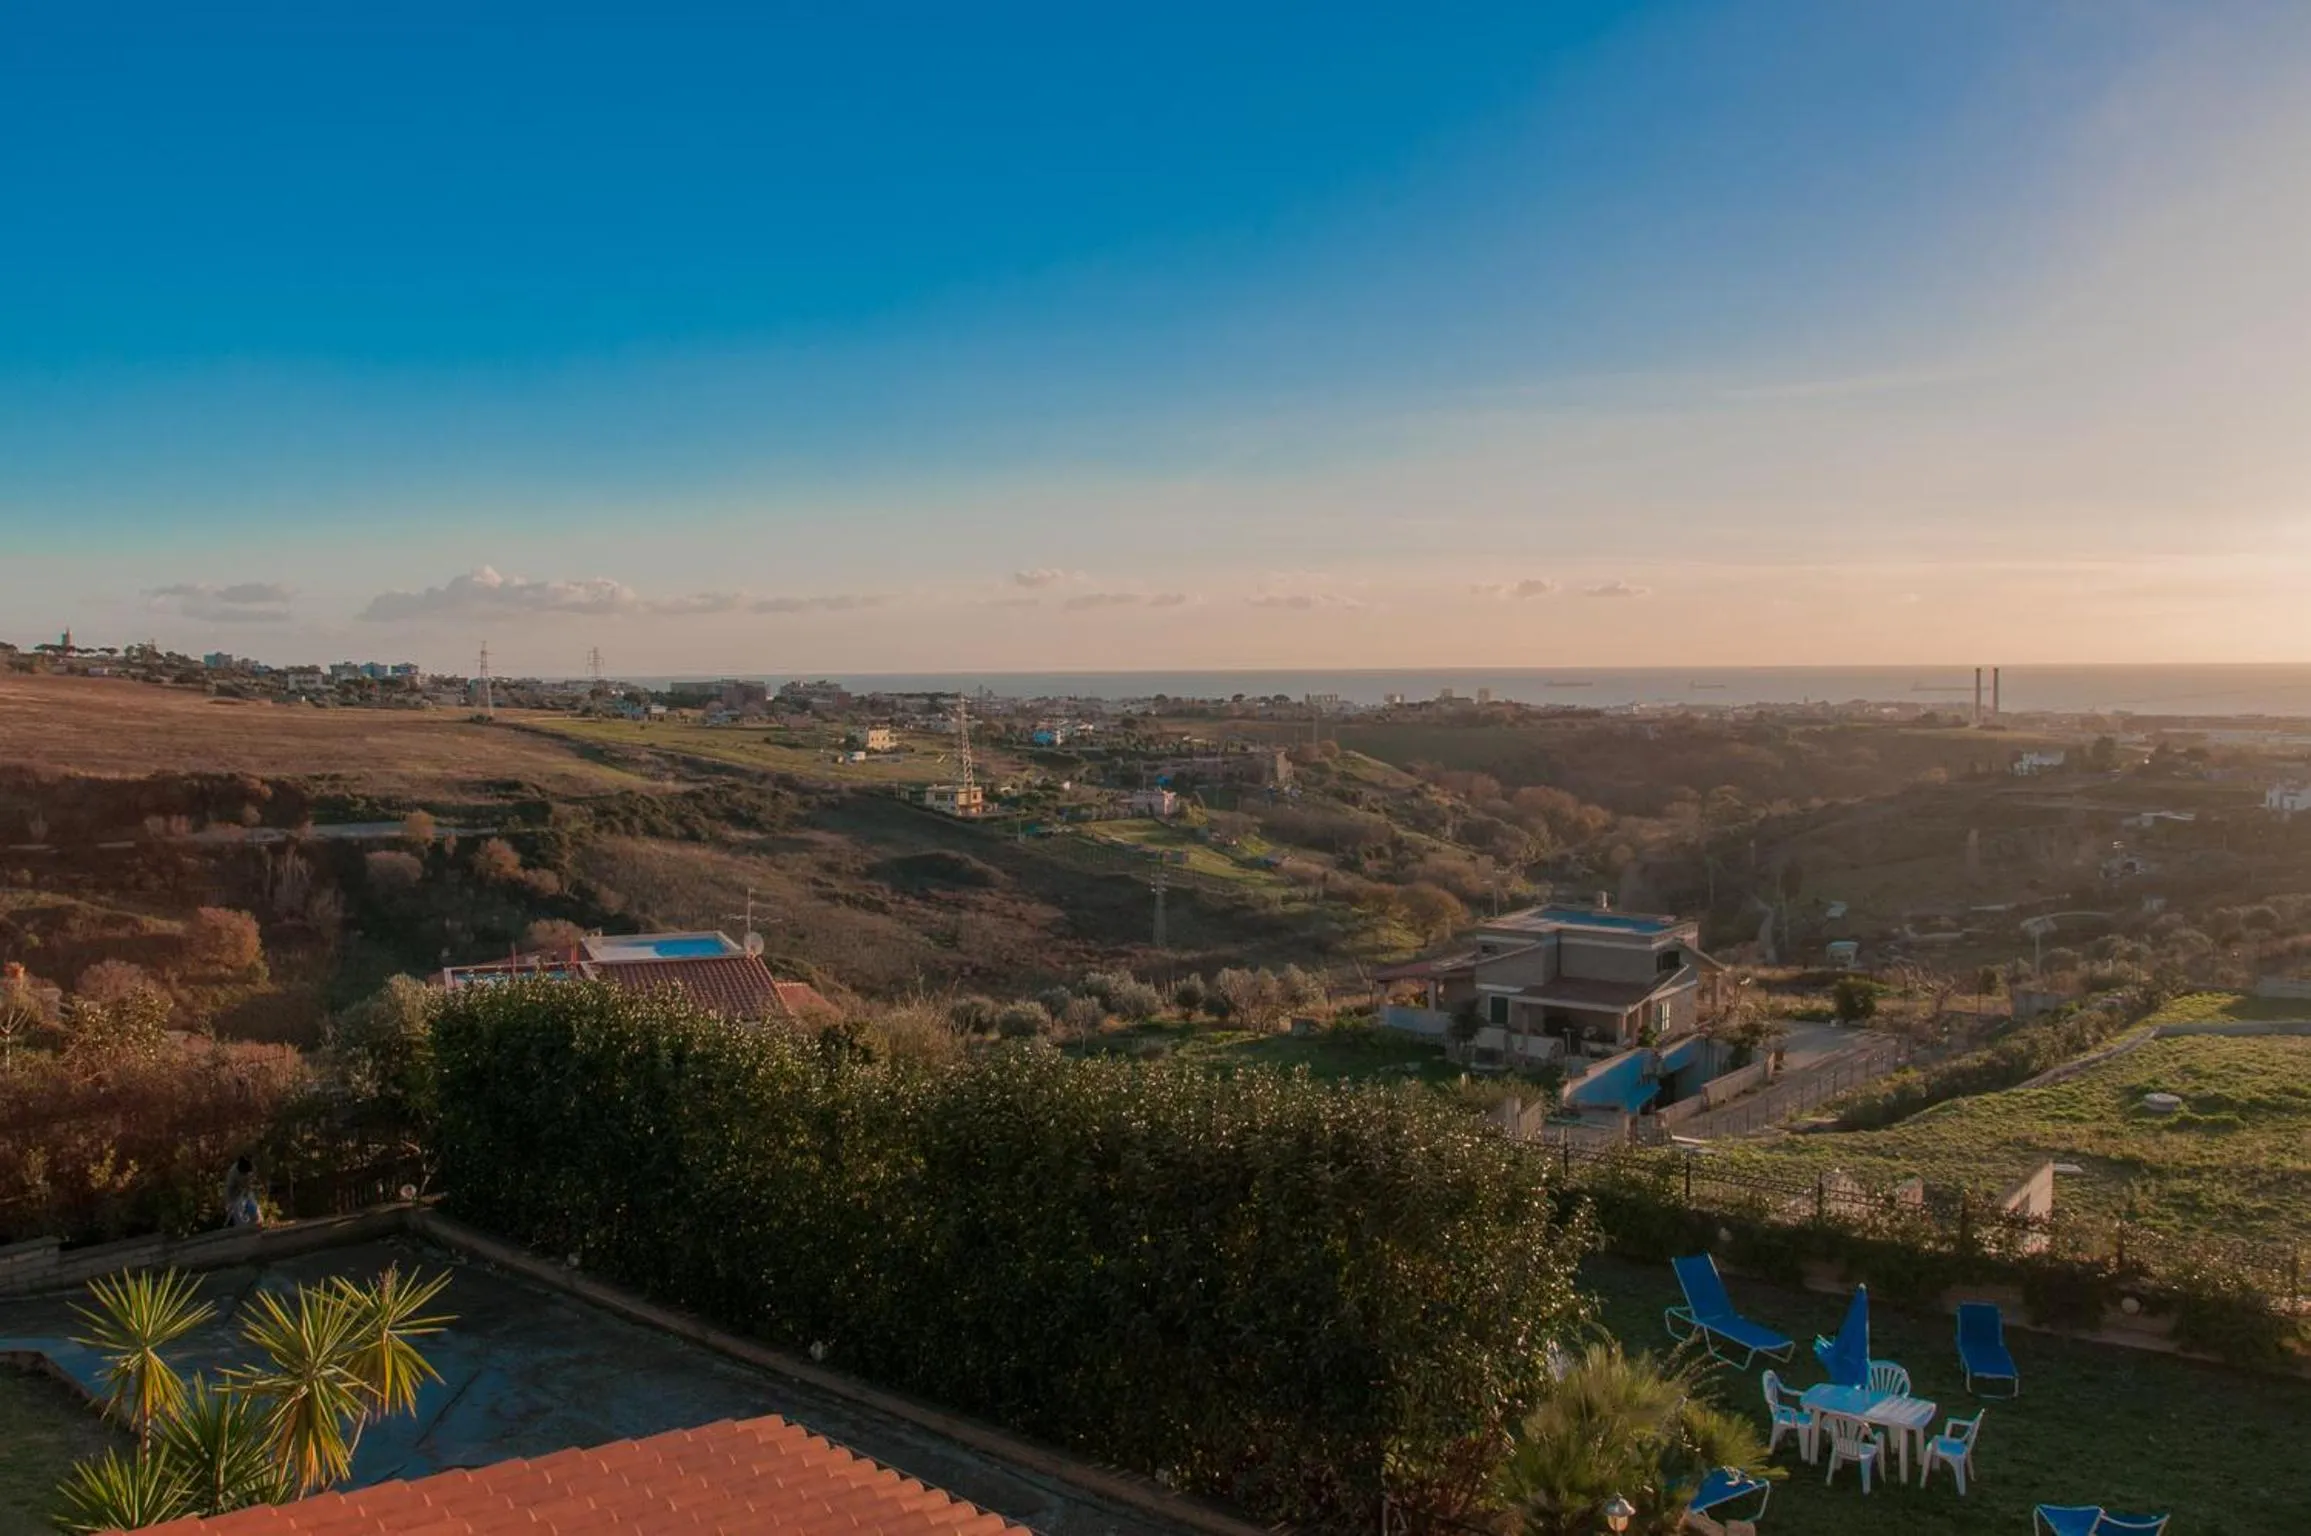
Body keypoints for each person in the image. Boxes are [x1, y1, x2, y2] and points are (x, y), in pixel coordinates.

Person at [224, 1155, 263, 1227]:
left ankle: (257, 1221)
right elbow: (229, 1189)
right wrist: (229, 1203)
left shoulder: (251, 1166)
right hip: (234, 1194)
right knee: (238, 1211)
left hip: (246, 1190)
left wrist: (252, 1185)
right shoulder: (233, 1173)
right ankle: (242, 1227)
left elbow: (253, 1178)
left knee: (252, 1205)